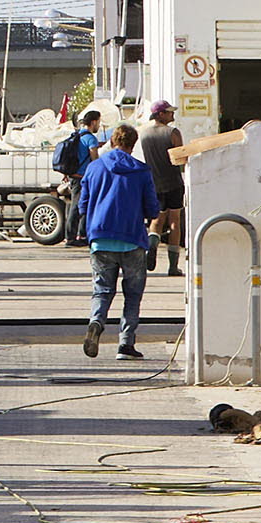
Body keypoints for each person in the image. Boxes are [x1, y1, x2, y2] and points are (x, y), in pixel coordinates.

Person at [80, 123, 159, 359]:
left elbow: (83, 206)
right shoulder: (142, 171)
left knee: (102, 291)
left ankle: (96, 323)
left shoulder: (94, 168)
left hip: (100, 239)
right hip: (133, 239)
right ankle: (125, 344)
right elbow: (153, 209)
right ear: (132, 145)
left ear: (112, 141)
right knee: (133, 294)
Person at [135, 99, 187, 277]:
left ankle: (152, 246)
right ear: (161, 114)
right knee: (175, 221)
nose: (172, 114)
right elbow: (181, 158)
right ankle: (173, 266)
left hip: (154, 183)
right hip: (173, 182)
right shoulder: (173, 133)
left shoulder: (144, 134)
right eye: (170, 112)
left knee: (156, 221)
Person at [52, 109, 104, 246]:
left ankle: (79, 235)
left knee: (79, 206)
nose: (98, 125)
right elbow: (95, 160)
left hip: (73, 176)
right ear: (93, 122)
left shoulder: (77, 135)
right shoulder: (91, 139)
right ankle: (71, 237)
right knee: (78, 207)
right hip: (83, 178)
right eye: (98, 122)